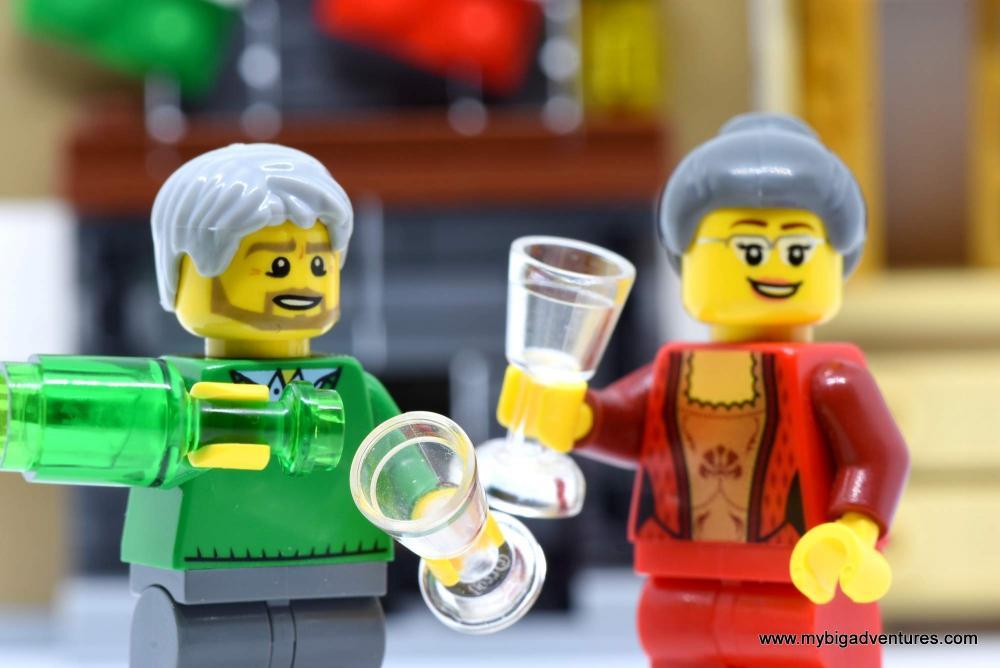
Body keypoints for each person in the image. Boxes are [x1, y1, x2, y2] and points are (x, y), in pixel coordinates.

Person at [498, 113, 910, 667]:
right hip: (679, 584)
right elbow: (627, 424)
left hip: (803, 580)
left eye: (796, 249)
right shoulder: (676, 370)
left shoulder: (830, 377)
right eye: (747, 246)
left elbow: (878, 457)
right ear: (685, 259)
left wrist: (855, 534)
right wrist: (567, 415)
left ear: (838, 260)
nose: (772, 265)